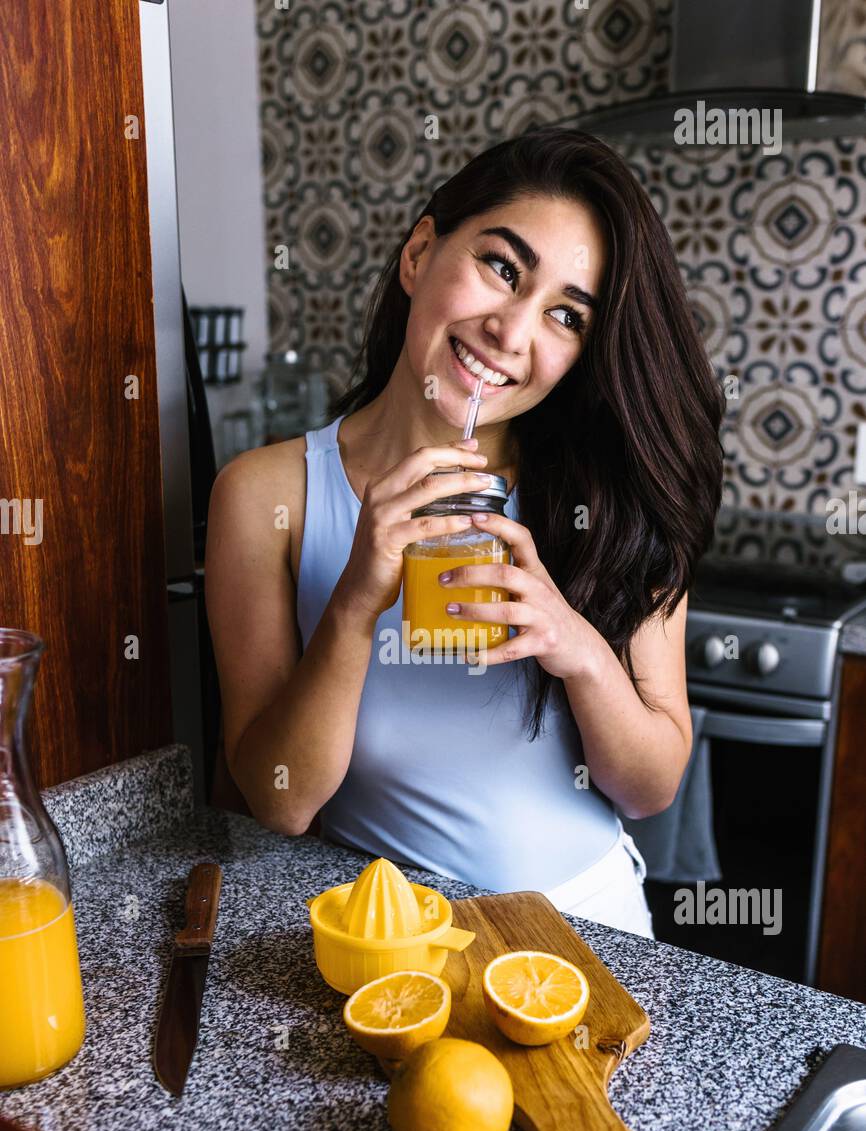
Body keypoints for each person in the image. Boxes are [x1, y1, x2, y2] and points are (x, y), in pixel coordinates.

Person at [205, 127, 723, 939]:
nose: (511, 332)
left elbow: (649, 788)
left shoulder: (616, 502)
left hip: (591, 932)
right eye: (502, 268)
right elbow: (279, 800)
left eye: (564, 316)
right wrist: (352, 606)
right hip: (387, 935)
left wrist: (576, 644)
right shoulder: (266, 497)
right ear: (419, 254)